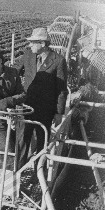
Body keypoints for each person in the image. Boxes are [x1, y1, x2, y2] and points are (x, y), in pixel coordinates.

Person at [11, 27, 68, 164]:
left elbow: (61, 89)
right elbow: (13, 72)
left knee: (42, 142)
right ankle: (18, 172)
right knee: (22, 140)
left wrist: (59, 113)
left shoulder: (58, 61)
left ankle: (39, 172)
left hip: (45, 110)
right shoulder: (28, 55)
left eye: (33, 42)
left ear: (42, 44)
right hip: (26, 107)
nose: (29, 45)